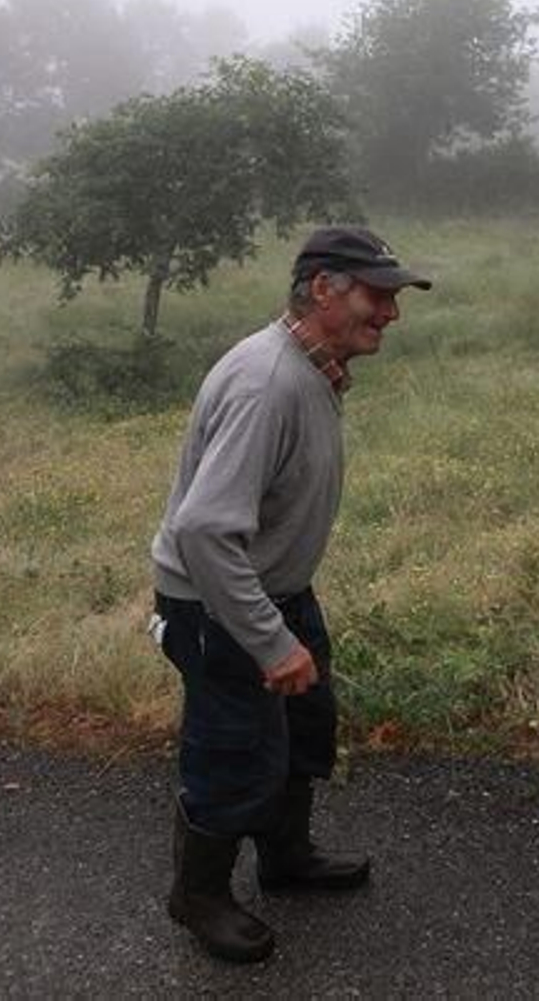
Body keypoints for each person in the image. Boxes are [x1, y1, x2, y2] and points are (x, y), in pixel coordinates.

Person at [150, 226, 432, 963]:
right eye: (378, 295)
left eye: (394, 296)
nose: (391, 312)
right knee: (233, 746)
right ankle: (198, 895)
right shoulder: (266, 384)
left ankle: (285, 855)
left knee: (305, 726)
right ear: (322, 289)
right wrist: (269, 641)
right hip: (219, 604)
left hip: (275, 589)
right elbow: (205, 530)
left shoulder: (310, 369)